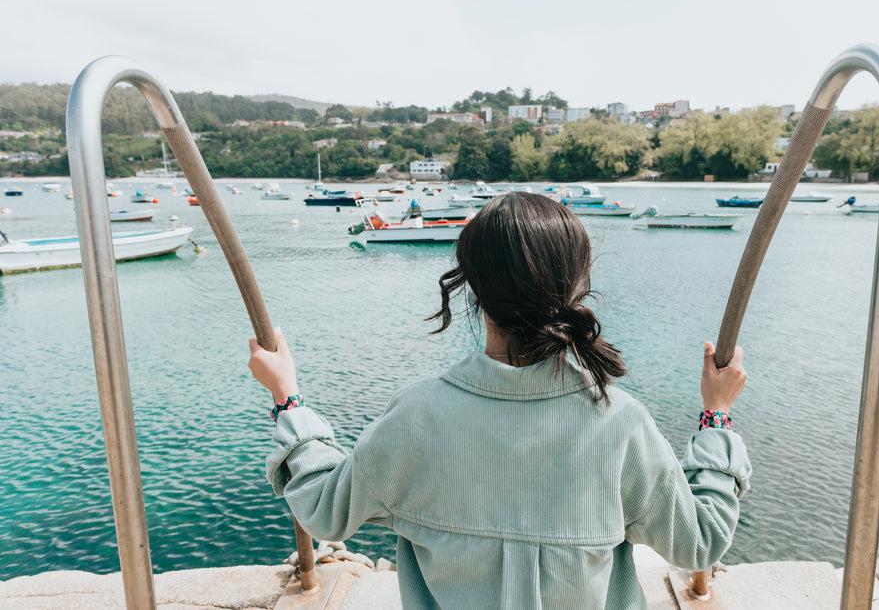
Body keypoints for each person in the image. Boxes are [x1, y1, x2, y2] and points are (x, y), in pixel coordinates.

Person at [249, 192, 750, 609]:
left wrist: (287, 398)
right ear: (576, 290)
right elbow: (699, 540)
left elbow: (325, 511)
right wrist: (715, 415)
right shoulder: (620, 422)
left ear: (471, 291)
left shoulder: (418, 415)